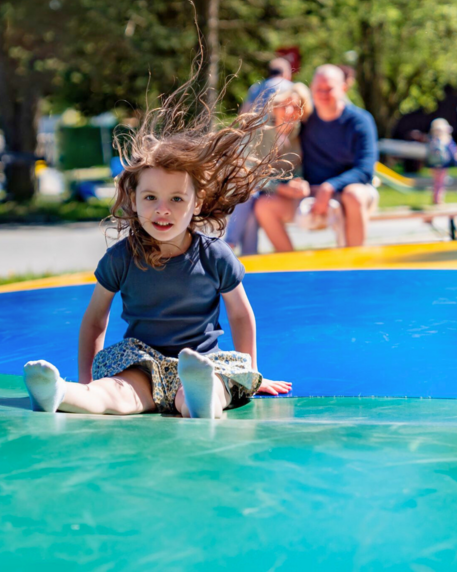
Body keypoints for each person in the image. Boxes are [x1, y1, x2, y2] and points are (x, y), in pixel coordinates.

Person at [23, 79, 292, 420]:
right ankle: (64, 393)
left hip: (203, 360)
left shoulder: (214, 255)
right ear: (133, 202)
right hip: (143, 364)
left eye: (176, 199)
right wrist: (88, 381)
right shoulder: (120, 258)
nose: (162, 209)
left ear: (197, 204)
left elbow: (240, 314)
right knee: (116, 395)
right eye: (150, 198)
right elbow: (94, 320)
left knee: (217, 382)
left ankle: (200, 397)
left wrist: (251, 375)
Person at [255, 64, 377, 251]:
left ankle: (356, 265)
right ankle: (291, 267)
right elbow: (286, 152)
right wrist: (293, 183)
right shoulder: (305, 120)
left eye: (329, 89)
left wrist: (330, 187)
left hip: (347, 190)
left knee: (355, 195)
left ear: (343, 88)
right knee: (264, 205)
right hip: (310, 192)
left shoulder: (360, 121)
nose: (323, 94)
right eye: (318, 89)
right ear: (312, 89)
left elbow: (365, 170)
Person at [225, 83, 312, 255]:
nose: (288, 111)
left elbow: (295, 170)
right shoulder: (260, 129)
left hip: (272, 191)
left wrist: (297, 183)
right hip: (246, 186)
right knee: (249, 196)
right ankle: (230, 246)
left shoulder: (298, 136)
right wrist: (281, 187)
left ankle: (246, 256)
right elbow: (247, 171)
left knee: (255, 201)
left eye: (295, 107)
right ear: (276, 106)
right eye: (284, 105)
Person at [426, 118, 456, 205]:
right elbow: (452, 150)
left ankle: (435, 198)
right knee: (441, 182)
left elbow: (428, 154)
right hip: (443, 165)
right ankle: (439, 200)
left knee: (436, 182)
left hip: (433, 165)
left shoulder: (432, 139)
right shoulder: (446, 139)